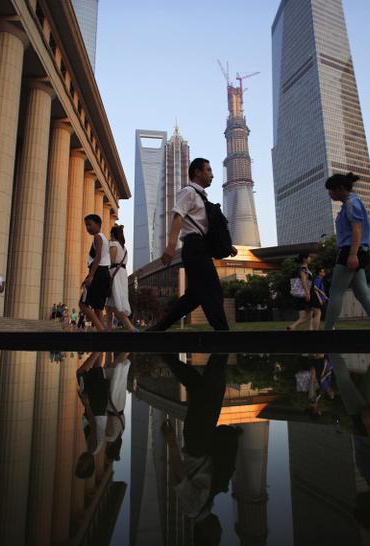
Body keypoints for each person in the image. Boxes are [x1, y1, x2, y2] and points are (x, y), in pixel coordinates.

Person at [147, 158, 237, 331]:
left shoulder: (201, 197)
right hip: (194, 247)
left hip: (200, 246)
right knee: (213, 290)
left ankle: (157, 330)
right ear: (197, 172)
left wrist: (227, 247)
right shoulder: (188, 192)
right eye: (208, 170)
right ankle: (222, 333)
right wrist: (171, 246)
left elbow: (204, 228)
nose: (212, 175)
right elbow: (178, 216)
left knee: (194, 296)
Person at [160, 353, 240, 545]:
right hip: (201, 438)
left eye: (217, 536)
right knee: (197, 385)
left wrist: (171, 442)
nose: (220, 529)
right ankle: (165, 354)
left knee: (214, 386)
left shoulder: (192, 509)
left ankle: (221, 339)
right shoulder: (204, 504)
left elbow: (180, 477)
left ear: (206, 536)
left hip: (197, 440)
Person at [329, 353, 370, 533]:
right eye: (359, 506)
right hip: (368, 428)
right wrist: (369, 426)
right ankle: (327, 343)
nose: (356, 501)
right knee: (344, 381)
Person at [322, 173, 370, 330]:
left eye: (331, 191)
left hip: (351, 250)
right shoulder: (351, 203)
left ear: (341, 189)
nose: (330, 194)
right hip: (358, 250)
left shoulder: (351, 203)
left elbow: (356, 230)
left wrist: (351, 254)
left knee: (336, 291)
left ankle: (327, 331)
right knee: (362, 293)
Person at [74, 352, 107, 479]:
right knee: (80, 373)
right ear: (89, 465)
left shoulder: (95, 449)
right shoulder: (92, 448)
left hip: (99, 407)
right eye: (81, 465)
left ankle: (101, 340)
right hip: (95, 407)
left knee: (96, 371)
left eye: (78, 465)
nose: (79, 461)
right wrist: (87, 405)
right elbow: (93, 425)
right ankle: (100, 345)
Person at [79, 214, 110, 332]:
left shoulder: (97, 237)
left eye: (89, 224)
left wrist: (91, 275)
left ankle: (101, 329)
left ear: (97, 225)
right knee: (97, 307)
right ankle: (103, 333)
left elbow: (97, 257)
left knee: (83, 305)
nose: (87, 227)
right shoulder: (103, 238)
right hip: (103, 272)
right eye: (86, 225)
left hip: (98, 273)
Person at [106, 224, 136, 331]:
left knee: (115, 304)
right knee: (110, 305)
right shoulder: (125, 249)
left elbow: (111, 261)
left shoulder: (113, 244)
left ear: (113, 234)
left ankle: (131, 328)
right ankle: (108, 329)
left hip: (114, 274)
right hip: (122, 274)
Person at [287, 254, 312, 331]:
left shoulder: (305, 268)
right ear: (305, 259)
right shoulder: (303, 269)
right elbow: (304, 281)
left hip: (302, 295)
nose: (310, 259)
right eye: (309, 257)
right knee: (309, 314)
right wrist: (307, 293)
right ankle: (293, 327)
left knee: (308, 315)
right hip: (303, 295)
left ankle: (293, 327)